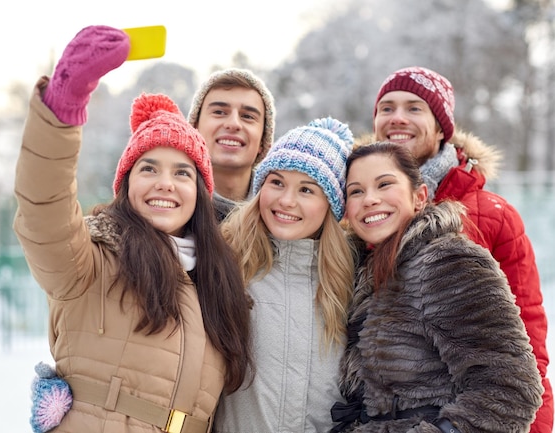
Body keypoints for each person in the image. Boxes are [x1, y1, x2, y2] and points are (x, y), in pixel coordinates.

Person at [13, 25, 253, 433]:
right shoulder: (93, 260)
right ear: (126, 184)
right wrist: (62, 107)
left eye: (182, 173)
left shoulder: (219, 279)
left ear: (199, 193)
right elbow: (42, 207)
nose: (165, 183)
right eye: (149, 168)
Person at [357, 65, 552, 433]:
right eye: (387, 108)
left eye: (414, 108)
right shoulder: (358, 210)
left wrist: (535, 427)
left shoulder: (490, 214)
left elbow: (525, 342)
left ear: (441, 127)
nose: (398, 118)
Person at [331, 141, 543, 433]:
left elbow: (511, 390)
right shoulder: (363, 273)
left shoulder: (448, 263)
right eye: (356, 190)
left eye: (384, 184)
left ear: (419, 197)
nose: (369, 199)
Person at [213, 117, 357, 432]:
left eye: (307, 189)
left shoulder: (352, 284)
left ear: (330, 205)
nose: (286, 201)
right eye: (276, 182)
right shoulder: (225, 265)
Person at [187, 68, 276, 221]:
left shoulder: (280, 212)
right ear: (195, 127)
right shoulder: (170, 203)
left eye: (247, 116)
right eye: (219, 112)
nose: (233, 124)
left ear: (263, 140)